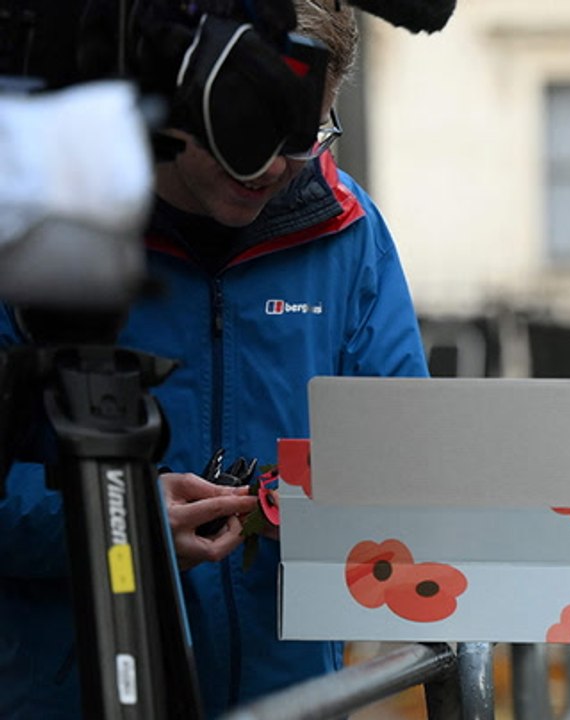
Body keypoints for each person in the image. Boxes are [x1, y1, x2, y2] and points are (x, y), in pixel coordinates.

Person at [0, 1, 429, 717]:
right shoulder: (39, 225)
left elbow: (410, 464)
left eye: (305, 132)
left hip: (294, 702)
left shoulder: (349, 229)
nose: (274, 164)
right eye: (250, 126)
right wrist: (117, 521)